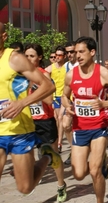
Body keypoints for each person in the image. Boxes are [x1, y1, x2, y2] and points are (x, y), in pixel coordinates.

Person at [61, 36, 108, 203]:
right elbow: (63, 95)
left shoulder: (103, 73)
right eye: (76, 52)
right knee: (78, 174)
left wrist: (103, 103)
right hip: (80, 128)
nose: (78, 56)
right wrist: (67, 105)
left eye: (81, 52)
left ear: (92, 52)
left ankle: (99, 201)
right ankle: (102, 162)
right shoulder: (70, 75)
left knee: (94, 170)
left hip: (99, 127)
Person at [0, 22, 61, 195]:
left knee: (25, 188)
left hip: (19, 130)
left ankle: (48, 156)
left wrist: (22, 103)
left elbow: (48, 86)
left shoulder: (15, 59)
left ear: (4, 37)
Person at [25, 43, 67, 202]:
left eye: (32, 56)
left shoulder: (44, 75)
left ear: (40, 57)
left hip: (45, 122)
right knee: (26, 155)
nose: (28, 59)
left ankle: (61, 184)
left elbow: (49, 99)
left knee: (52, 156)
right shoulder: (21, 75)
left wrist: (35, 85)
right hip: (28, 122)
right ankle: (30, 181)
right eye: (26, 56)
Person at [45, 45, 67, 152]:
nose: (57, 57)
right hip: (54, 97)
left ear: (64, 56)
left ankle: (59, 143)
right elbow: (41, 74)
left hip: (64, 97)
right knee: (56, 119)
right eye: (56, 55)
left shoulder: (67, 67)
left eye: (59, 55)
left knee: (60, 118)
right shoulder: (50, 68)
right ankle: (57, 140)